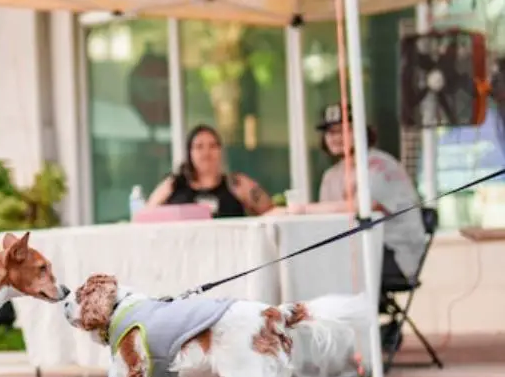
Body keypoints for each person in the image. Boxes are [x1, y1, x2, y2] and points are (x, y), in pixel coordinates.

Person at [269, 103, 427, 285]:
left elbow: (364, 207)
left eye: (343, 130)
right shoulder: (331, 175)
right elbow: (326, 225)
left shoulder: (379, 164)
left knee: (318, 272)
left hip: (394, 255)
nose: (336, 137)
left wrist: (301, 209)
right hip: (355, 251)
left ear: (361, 132)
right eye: (330, 132)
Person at [145, 124, 274, 217]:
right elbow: (146, 217)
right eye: (199, 147)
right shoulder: (173, 184)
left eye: (212, 146)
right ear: (189, 152)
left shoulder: (236, 183)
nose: (206, 152)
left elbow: (271, 212)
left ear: (221, 151)